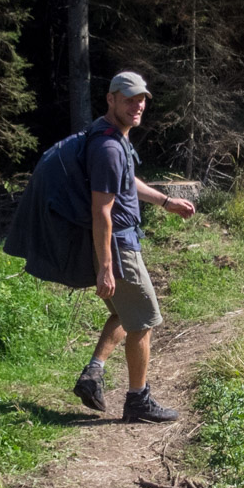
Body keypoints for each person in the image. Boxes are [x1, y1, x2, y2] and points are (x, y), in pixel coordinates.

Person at [73, 71, 197, 422]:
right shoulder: (109, 147)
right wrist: (107, 266)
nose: (137, 105)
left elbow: (127, 182)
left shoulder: (112, 137)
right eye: (129, 99)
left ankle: (93, 374)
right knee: (143, 321)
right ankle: (137, 401)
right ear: (110, 99)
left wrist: (165, 201)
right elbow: (102, 210)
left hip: (118, 243)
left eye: (141, 98)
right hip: (119, 245)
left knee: (126, 313)